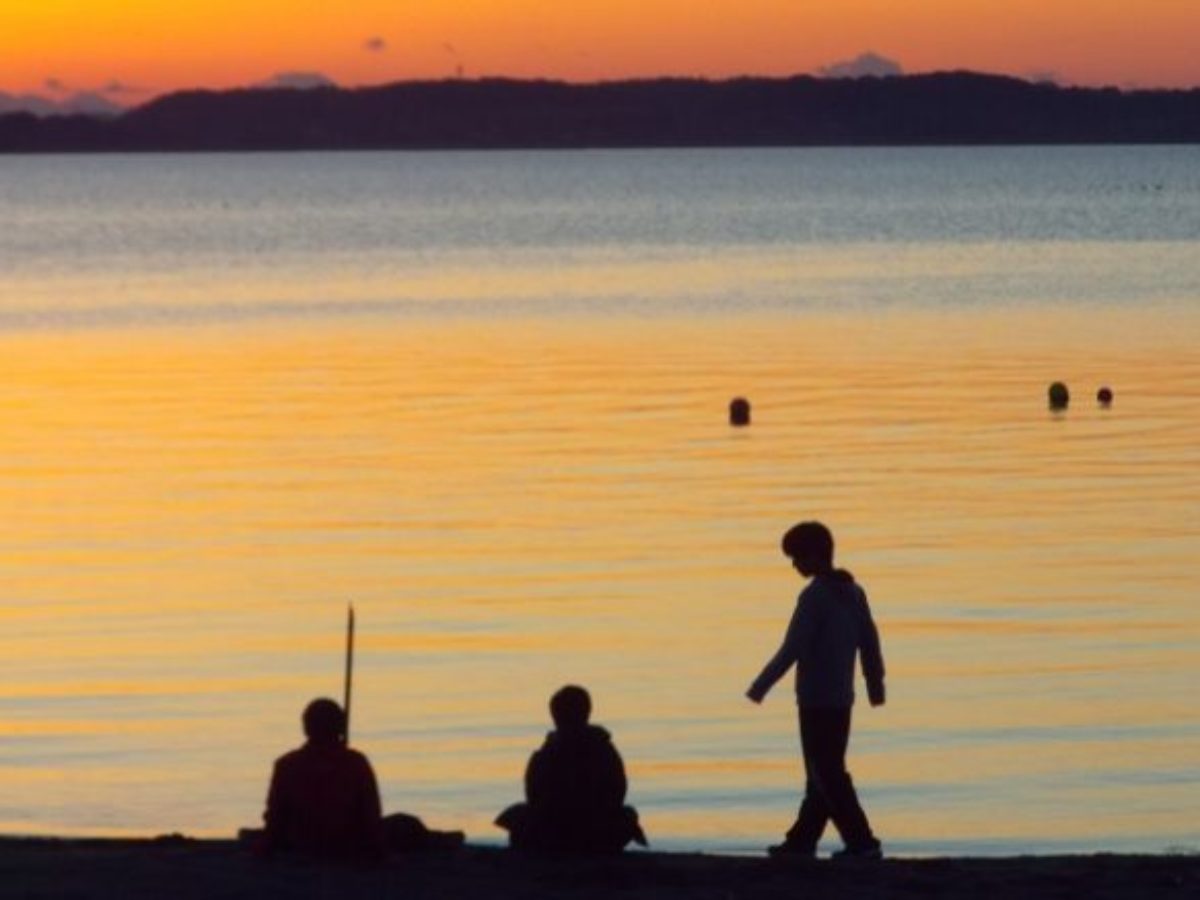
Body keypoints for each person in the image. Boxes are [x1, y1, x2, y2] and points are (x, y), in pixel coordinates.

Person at [746, 521, 886, 860]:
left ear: (812, 556)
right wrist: (874, 684)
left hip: (817, 700)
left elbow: (793, 647)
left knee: (826, 772)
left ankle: (862, 841)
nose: (794, 565)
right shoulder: (854, 592)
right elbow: (870, 641)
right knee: (820, 772)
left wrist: (760, 686)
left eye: (796, 558)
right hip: (841, 698)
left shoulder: (815, 597)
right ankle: (802, 841)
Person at [495, 685, 648, 853]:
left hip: (563, 831)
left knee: (520, 816)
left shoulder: (548, 752)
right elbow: (618, 791)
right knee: (627, 815)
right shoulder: (603, 748)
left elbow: (534, 795)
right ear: (587, 712)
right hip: (593, 831)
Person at [260, 697, 385, 859]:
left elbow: (275, 816)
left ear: (305, 728)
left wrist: (266, 848)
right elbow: (371, 813)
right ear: (341, 727)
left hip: (301, 845)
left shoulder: (286, 764)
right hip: (347, 847)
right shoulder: (356, 762)